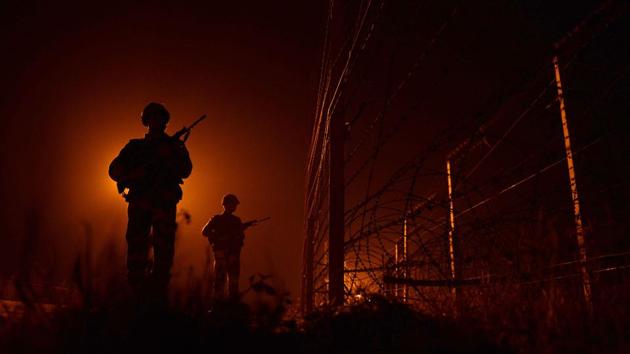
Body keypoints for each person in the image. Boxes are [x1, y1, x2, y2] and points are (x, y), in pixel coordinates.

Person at [108, 102, 192, 303]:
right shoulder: (135, 147)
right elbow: (114, 170)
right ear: (146, 121)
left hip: (163, 202)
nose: (156, 122)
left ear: (165, 121)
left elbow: (186, 171)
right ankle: (136, 292)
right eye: (152, 117)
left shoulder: (174, 146)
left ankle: (158, 295)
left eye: (159, 118)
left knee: (164, 250)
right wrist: (133, 174)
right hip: (140, 201)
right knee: (136, 247)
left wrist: (172, 155)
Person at [202, 194, 250, 300]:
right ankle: (219, 306)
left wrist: (239, 232)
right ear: (226, 205)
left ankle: (229, 306)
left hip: (232, 254)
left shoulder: (236, 221)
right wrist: (219, 237)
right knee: (220, 282)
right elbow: (205, 232)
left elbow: (240, 239)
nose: (234, 207)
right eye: (233, 204)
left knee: (232, 283)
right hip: (222, 254)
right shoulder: (217, 219)